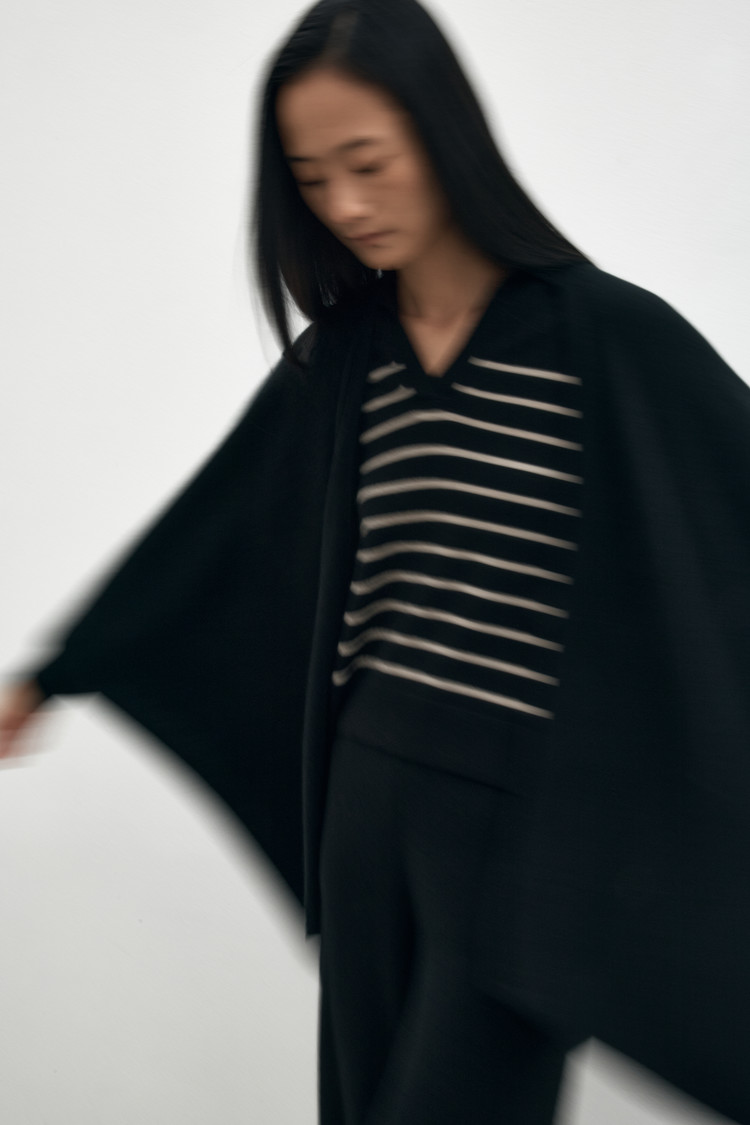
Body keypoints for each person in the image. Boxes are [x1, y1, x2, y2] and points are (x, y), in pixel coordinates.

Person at [2, 1, 749, 1123]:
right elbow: (210, 532)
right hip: (365, 800)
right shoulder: (348, 360)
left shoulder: (601, 336)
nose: (345, 205)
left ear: (445, 137)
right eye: (312, 178)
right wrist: (56, 674)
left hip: (523, 830)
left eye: (369, 162)